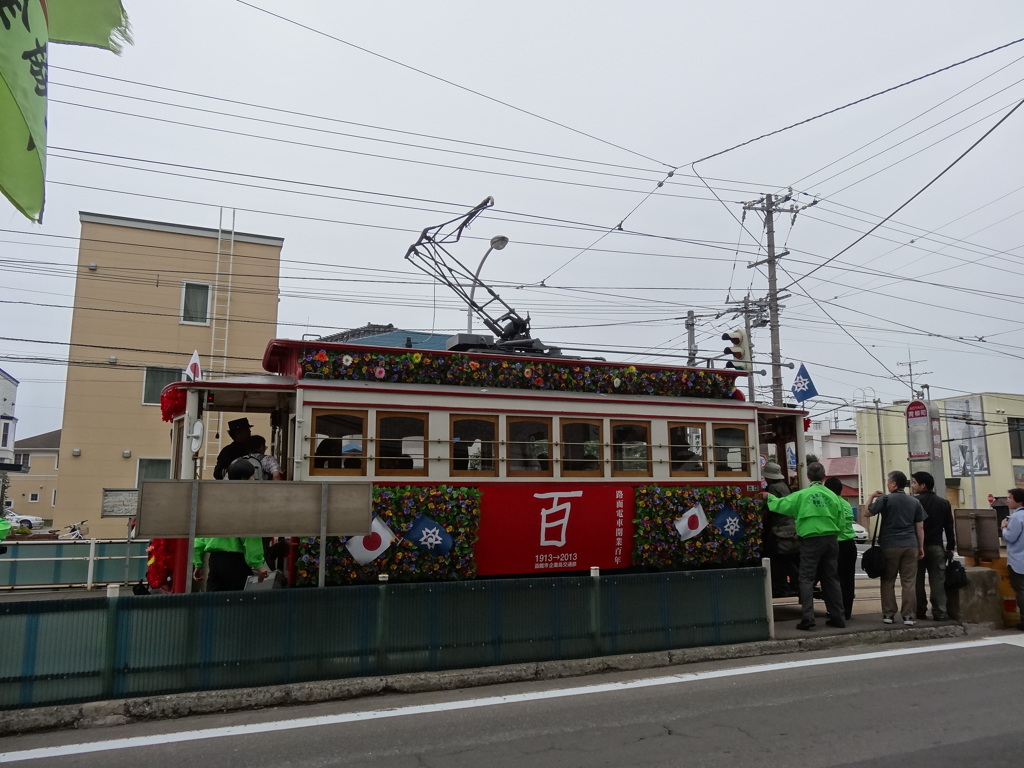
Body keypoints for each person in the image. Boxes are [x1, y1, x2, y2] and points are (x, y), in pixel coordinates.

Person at [762, 461, 845, 631]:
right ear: (823, 477)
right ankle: (838, 617)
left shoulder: (803, 495)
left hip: (812, 540)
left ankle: (808, 618)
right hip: (831, 540)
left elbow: (781, 505)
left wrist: (767, 497)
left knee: (806, 578)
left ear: (807, 476)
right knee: (831, 578)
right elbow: (841, 522)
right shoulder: (833, 496)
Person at [192, 459, 269, 591]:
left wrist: (198, 563)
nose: (254, 480)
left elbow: (200, 536)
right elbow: (249, 536)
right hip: (235, 561)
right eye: (252, 476)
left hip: (215, 560)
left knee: (215, 602)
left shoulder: (216, 501)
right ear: (244, 478)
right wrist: (258, 565)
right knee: (237, 605)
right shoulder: (245, 503)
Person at [868, 470, 926, 626]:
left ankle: (888, 614)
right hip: (911, 544)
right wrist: (920, 546)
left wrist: (872, 497)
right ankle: (908, 616)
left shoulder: (885, 499)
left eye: (888, 481)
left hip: (890, 545)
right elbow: (920, 526)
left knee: (888, 580)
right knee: (909, 582)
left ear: (894, 484)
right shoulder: (914, 502)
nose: (887, 484)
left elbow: (867, 512)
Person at [910, 471, 955, 620]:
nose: (912, 485)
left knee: (917, 580)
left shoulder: (914, 502)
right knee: (937, 581)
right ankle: (940, 611)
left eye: (914, 482)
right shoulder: (943, 503)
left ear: (923, 485)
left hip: (917, 546)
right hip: (936, 546)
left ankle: (919, 610)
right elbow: (949, 527)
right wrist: (950, 547)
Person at [762, 461, 799, 597]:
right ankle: (794, 584)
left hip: (779, 530)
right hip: (790, 529)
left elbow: (771, 508)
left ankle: (783, 586)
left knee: (777, 559)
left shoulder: (772, 488)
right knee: (786, 560)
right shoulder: (784, 486)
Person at [825, 477, 857, 621]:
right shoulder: (846, 503)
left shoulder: (831, 503)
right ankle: (847, 611)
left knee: (835, 580)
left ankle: (837, 612)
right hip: (851, 545)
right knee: (848, 580)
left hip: (837, 545)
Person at [1001, 488, 1024, 631]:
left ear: (1019, 500)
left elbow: (1010, 537)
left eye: (1010, 497)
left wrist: (1004, 528)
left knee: (1021, 590)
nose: (1008, 500)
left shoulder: (1016, 517)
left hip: (1018, 560)